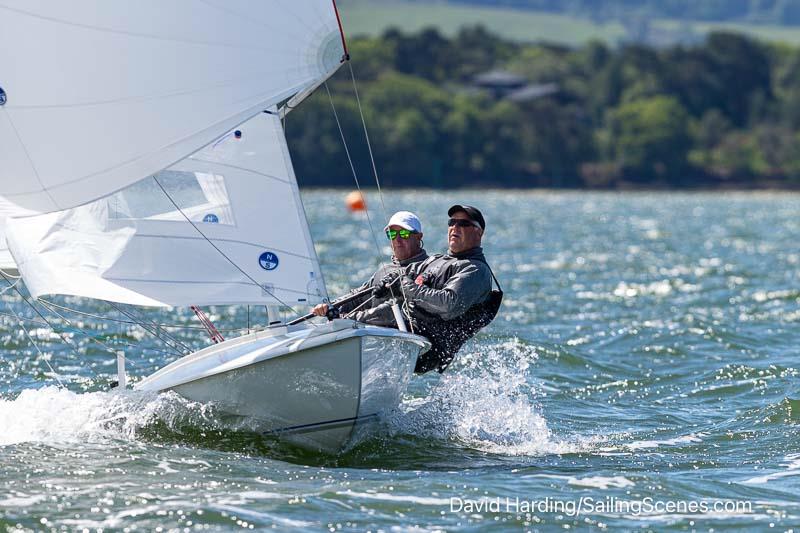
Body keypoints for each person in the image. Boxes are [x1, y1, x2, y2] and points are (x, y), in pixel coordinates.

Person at [398, 204, 503, 374]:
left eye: (463, 224)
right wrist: (392, 280)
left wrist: (408, 287)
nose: (455, 227)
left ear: (479, 232)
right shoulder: (438, 259)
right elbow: (402, 276)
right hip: (405, 328)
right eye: (452, 222)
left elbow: (447, 304)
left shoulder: (476, 270)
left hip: (426, 345)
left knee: (375, 316)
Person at [311, 211, 428, 325]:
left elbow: (394, 308)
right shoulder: (383, 272)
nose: (397, 240)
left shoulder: (428, 269)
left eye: (403, 234)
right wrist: (330, 307)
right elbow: (357, 297)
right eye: (392, 234)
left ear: (418, 237)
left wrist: (345, 318)